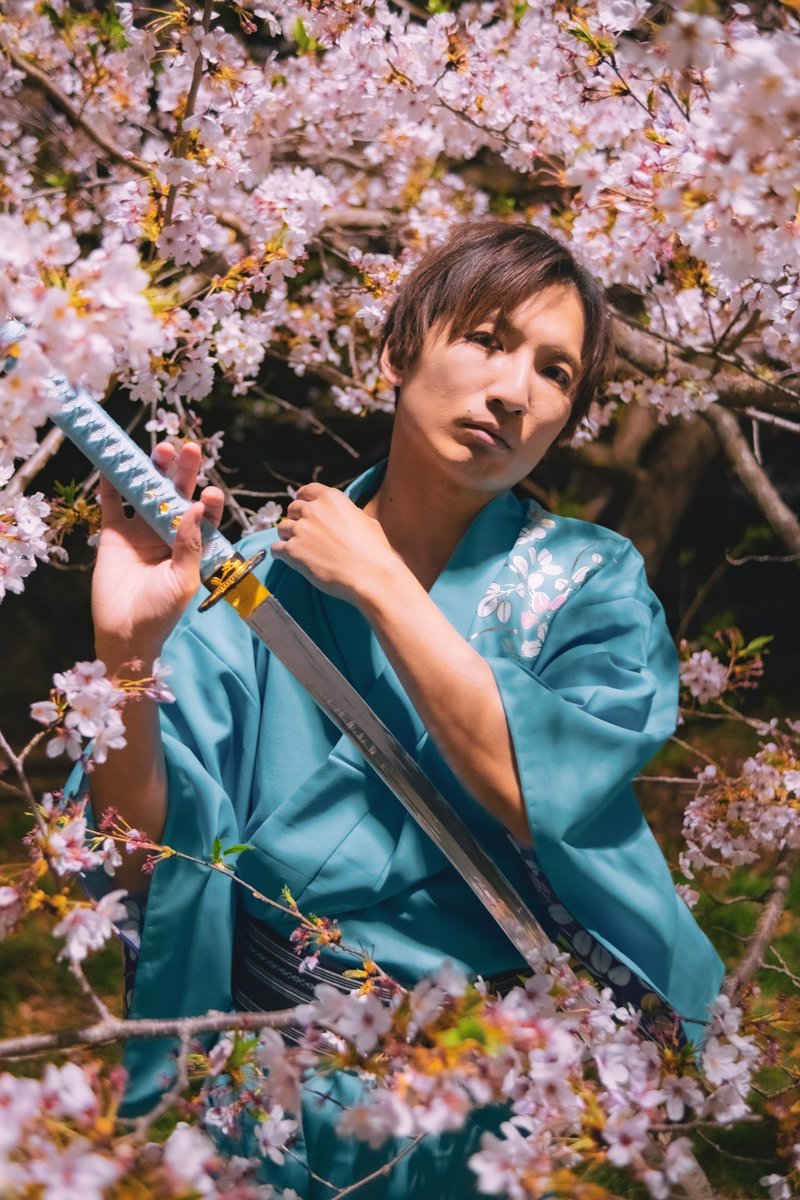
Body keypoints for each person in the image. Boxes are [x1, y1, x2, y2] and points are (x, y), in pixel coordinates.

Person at [70, 220, 724, 1196]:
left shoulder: (589, 584)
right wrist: (126, 656)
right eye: (487, 339)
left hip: (474, 1102)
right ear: (396, 350)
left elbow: (528, 785)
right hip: (267, 1078)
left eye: (554, 371)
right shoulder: (257, 586)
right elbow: (146, 847)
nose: (513, 390)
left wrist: (380, 583)